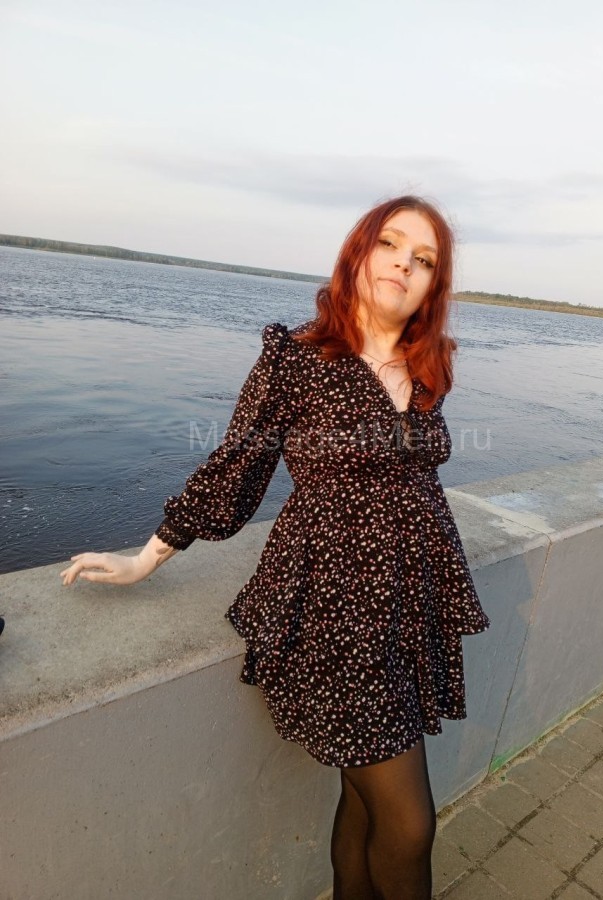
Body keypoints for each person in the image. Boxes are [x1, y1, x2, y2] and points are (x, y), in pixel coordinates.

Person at [59, 195, 491, 900]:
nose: (402, 265)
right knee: (409, 825)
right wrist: (145, 558)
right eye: (389, 245)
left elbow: (407, 478)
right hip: (333, 609)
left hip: (405, 606)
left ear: (432, 284)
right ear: (358, 254)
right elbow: (236, 467)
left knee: (364, 804)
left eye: (423, 259)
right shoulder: (297, 358)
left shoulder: (427, 367)